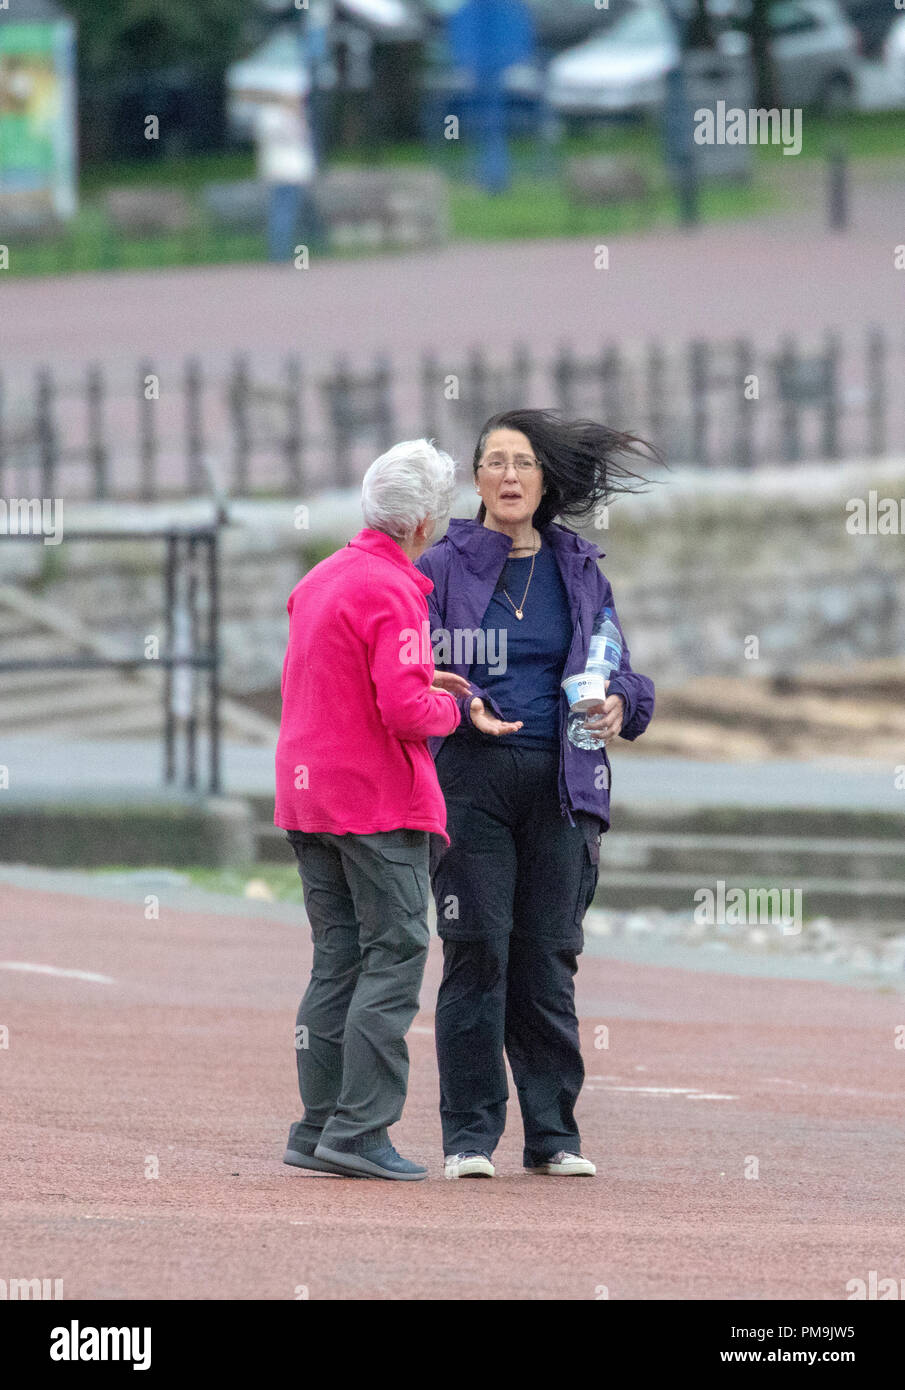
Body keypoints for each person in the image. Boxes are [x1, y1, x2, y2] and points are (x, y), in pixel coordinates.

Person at [416, 409, 655, 1180]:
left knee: (547, 961)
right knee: (476, 952)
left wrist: (622, 702)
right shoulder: (441, 565)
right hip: (469, 779)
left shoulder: (579, 567)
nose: (509, 476)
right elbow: (406, 668)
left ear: (545, 479)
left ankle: (553, 1137)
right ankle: (468, 1140)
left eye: (522, 463)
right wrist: (460, 703)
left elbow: (624, 671)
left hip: (562, 783)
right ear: (475, 479)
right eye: (493, 463)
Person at [275, 439, 470, 1181]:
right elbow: (403, 710)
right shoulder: (395, 590)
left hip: (307, 793)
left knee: (336, 959)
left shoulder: (322, 576)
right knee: (394, 955)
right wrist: (453, 709)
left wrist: (419, 681)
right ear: (421, 523)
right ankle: (360, 1129)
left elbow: (342, 682)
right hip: (372, 801)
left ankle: (317, 1125)